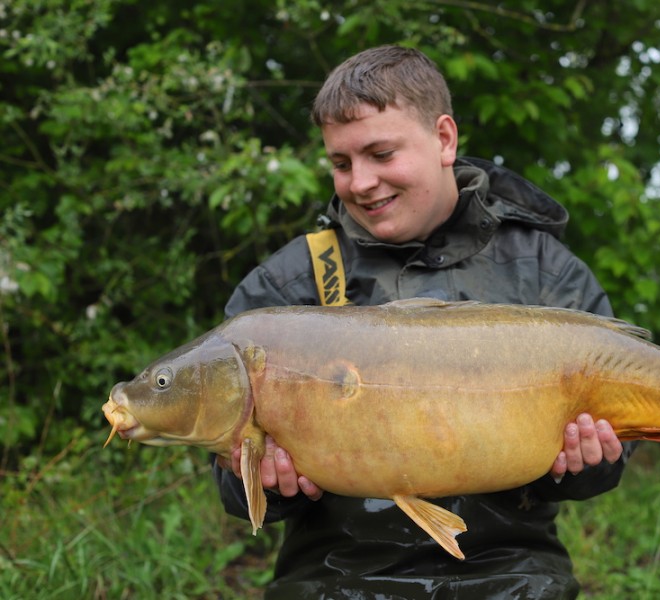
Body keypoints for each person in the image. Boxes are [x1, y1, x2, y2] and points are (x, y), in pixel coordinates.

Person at [213, 44, 636, 599]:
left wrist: (587, 464)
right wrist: (274, 484)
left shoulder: (542, 271)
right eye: (341, 164)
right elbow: (234, 490)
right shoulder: (290, 286)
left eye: (381, 154)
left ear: (444, 138)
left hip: (510, 574)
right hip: (338, 578)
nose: (360, 182)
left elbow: (610, 460)